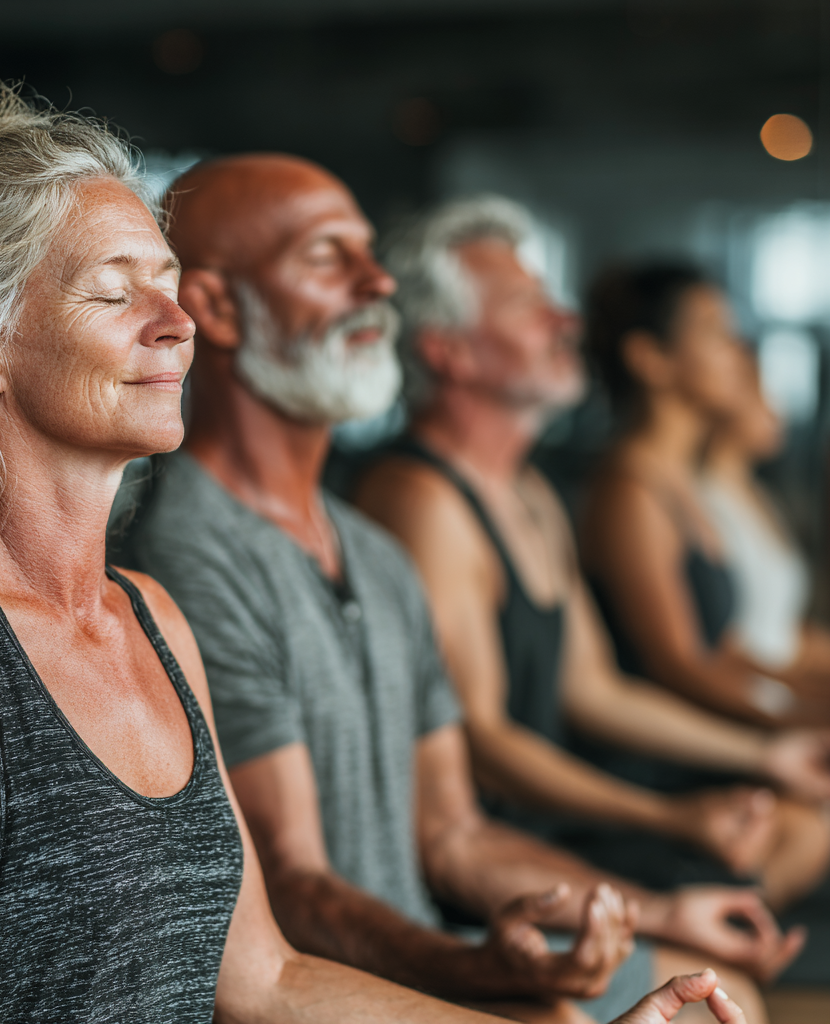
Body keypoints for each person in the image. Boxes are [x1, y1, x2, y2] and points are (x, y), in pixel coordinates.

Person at [0, 80, 704, 1024]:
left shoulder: (152, 619)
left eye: (169, 283)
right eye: (115, 291)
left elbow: (266, 979)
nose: (177, 322)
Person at [116, 153, 791, 1024]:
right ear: (214, 307)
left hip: (428, 946)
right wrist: (487, 977)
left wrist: (653, 910)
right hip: (336, 984)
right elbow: (294, 891)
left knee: (719, 995)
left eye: (370, 253)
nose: (378, 282)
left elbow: (452, 834)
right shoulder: (189, 553)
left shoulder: (372, 549)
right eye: (329, 257)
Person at [350, 196, 830, 915]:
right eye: (525, 305)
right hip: (487, 866)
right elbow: (483, 743)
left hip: (554, 828)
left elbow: (596, 690)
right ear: (446, 350)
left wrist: (765, 755)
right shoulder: (423, 501)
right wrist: (669, 816)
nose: (564, 320)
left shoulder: (530, 490)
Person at [580, 262, 830, 730]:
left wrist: (808, 706)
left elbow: (729, 655)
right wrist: (805, 720)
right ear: (649, 357)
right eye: (715, 333)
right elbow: (678, 667)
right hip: (667, 763)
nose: (736, 353)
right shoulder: (629, 490)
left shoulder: (677, 483)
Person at [700, 348, 830, 705]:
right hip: (751, 709)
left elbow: (784, 635)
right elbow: (722, 648)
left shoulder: (759, 493)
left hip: (785, 698)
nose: (777, 411)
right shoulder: (701, 500)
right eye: (763, 395)